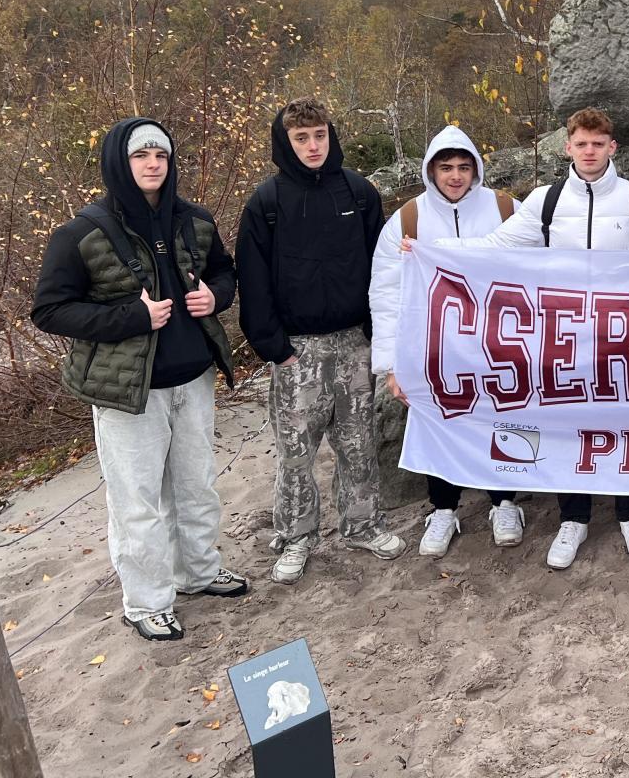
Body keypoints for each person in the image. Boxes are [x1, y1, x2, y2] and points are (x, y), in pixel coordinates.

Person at [32, 118, 247, 642]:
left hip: (193, 379)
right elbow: (49, 310)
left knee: (196, 485)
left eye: (161, 154)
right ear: (118, 162)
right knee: (138, 502)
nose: (153, 164)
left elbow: (225, 271)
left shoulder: (195, 220)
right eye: (140, 155)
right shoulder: (81, 233)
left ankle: (198, 571)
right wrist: (131, 317)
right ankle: (147, 602)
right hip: (128, 393)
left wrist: (216, 296)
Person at [453, 107, 629, 569]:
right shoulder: (545, 201)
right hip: (563, 338)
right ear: (567, 147)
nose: (589, 151)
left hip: (623, 338)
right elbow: (496, 248)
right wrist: (432, 251)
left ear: (612, 147)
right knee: (570, 427)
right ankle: (574, 518)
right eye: (581, 143)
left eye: (598, 143)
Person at [237, 98, 405, 585]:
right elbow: (252, 279)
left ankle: (363, 524)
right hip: (297, 349)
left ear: (331, 136)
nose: (313, 146)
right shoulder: (267, 202)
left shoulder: (359, 192)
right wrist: (275, 348)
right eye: (301, 138)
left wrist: (379, 336)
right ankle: (296, 537)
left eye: (319, 136)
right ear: (285, 142)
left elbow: (383, 269)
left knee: (358, 445)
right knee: (296, 452)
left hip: (354, 342)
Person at [369, 126, 522, 558]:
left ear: (476, 169)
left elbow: (542, 265)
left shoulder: (505, 209)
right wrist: (390, 365)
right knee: (437, 422)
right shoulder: (408, 219)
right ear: (431, 170)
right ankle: (443, 508)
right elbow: (385, 293)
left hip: (498, 342)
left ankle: (504, 502)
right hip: (433, 347)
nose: (455, 176)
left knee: (503, 418)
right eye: (446, 167)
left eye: (464, 167)